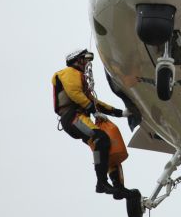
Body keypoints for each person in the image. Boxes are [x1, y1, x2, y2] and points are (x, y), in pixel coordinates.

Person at [52, 48, 131, 198]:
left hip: (80, 117)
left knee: (107, 149)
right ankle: (101, 183)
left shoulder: (79, 78)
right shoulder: (69, 72)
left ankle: (118, 187)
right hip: (72, 117)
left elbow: (93, 102)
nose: (88, 63)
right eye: (85, 59)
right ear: (77, 59)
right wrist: (92, 110)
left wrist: (120, 113)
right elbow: (75, 94)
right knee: (101, 138)